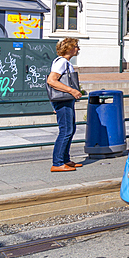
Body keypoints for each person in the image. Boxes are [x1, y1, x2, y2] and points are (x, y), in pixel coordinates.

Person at [46, 38, 83, 172]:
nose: (78, 49)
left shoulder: (65, 62)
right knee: (66, 130)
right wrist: (71, 90)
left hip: (66, 100)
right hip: (63, 100)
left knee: (70, 129)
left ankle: (65, 160)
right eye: (76, 46)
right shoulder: (61, 62)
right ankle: (58, 163)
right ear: (69, 48)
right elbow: (52, 80)